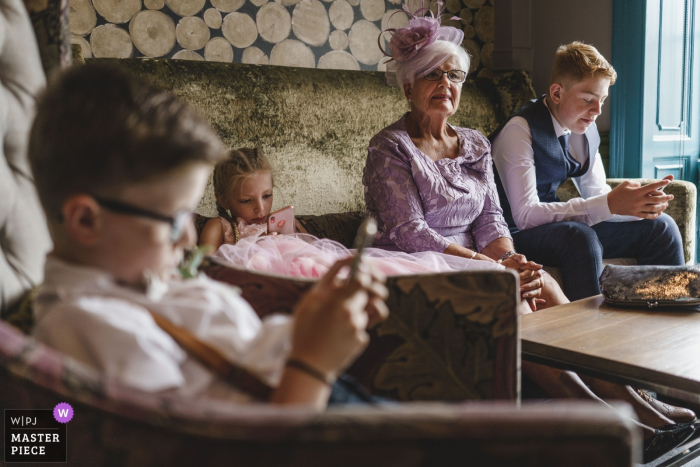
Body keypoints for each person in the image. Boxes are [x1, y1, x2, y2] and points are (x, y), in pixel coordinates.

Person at [363, 2, 696, 444]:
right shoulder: (391, 147)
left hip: (479, 254)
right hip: (425, 260)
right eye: (432, 75)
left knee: (549, 288)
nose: (445, 84)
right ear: (408, 88)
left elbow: (491, 219)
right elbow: (410, 232)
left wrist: (513, 258)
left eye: (454, 76)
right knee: (515, 297)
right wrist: (496, 267)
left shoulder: (474, 143)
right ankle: (613, 424)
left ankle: (640, 398)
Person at [28, 63, 389, 409]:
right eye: (173, 219)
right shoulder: (87, 324)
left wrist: (312, 321)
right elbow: (209, 445)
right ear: (87, 222)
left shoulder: (139, 282)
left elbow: (244, 353)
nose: (188, 240)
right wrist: (314, 364)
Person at [490, 41, 684, 302]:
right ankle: (592, 336)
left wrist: (634, 206)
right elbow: (524, 215)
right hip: (511, 232)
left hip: (553, 225)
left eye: (602, 100)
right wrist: (609, 203)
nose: (597, 111)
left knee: (661, 227)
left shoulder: (585, 128)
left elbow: (596, 193)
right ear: (557, 93)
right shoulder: (519, 129)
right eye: (588, 100)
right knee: (578, 236)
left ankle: (663, 319)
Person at [199, 148, 507, 279]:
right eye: (246, 201)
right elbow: (203, 263)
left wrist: (286, 234)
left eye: (266, 196)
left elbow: (312, 245)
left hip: (302, 262)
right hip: (257, 272)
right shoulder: (221, 226)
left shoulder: (276, 219)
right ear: (223, 198)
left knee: (363, 268)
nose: (260, 209)